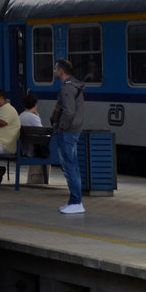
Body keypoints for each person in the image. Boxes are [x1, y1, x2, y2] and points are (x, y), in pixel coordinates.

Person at [52, 59, 86, 214]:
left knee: (69, 167)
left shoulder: (66, 88)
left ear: (61, 70)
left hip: (67, 132)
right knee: (73, 166)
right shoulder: (76, 85)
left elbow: (68, 112)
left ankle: (76, 201)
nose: (54, 71)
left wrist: (61, 127)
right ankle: (75, 201)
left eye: (55, 68)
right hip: (75, 130)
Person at [18, 91, 48, 184]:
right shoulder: (33, 117)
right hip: (32, 151)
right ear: (35, 104)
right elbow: (42, 133)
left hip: (23, 148)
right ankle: (40, 180)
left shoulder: (21, 116)